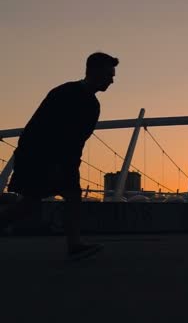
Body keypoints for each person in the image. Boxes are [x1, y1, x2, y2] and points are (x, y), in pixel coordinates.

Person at [0, 52, 118, 260]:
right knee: (53, 199)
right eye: (109, 74)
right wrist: (53, 161)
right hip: (42, 156)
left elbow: (77, 137)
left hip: (57, 158)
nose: (112, 80)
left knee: (35, 202)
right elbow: (44, 128)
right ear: (95, 71)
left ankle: (74, 244)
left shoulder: (88, 102)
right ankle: (74, 245)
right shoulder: (67, 94)